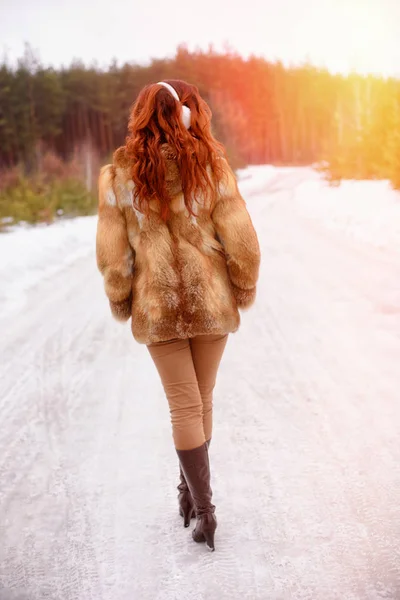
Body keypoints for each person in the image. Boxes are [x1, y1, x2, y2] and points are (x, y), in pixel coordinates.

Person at [96, 80, 260, 551]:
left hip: (158, 306)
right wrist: (242, 284)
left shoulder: (119, 176)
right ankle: (196, 499)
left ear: (142, 116)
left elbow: (113, 254)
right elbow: (242, 239)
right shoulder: (212, 165)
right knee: (201, 400)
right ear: (191, 115)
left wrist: (121, 297)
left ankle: (199, 504)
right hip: (212, 304)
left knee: (184, 404)